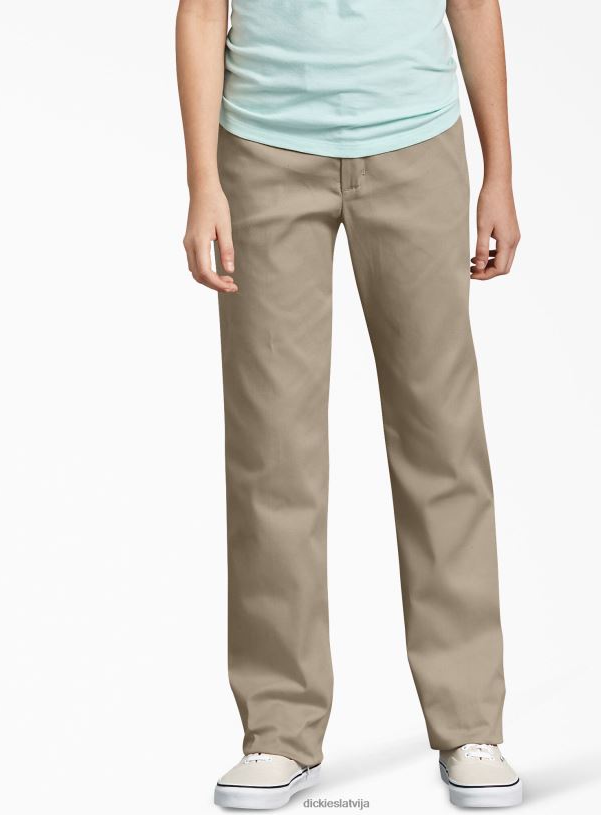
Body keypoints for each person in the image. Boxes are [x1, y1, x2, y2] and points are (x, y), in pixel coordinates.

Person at [176, 0, 522, 808]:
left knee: (441, 437)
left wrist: (498, 173)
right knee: (272, 452)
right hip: (260, 149)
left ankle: (470, 722)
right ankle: (277, 729)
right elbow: (201, 14)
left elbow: (472, 2)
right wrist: (201, 182)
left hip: (415, 140)